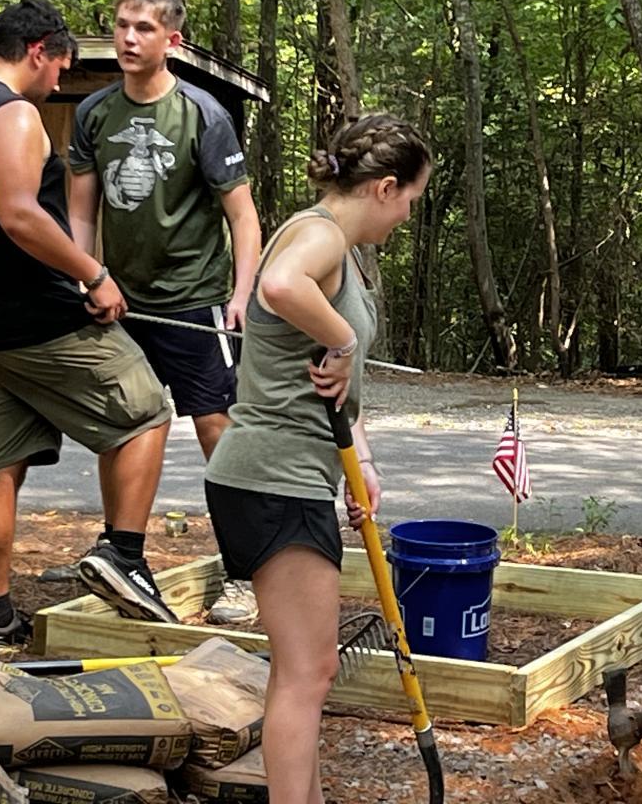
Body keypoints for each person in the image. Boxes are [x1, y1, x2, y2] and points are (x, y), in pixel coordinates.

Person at [0, 0, 180, 653]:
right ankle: (123, 555)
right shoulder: (10, 114)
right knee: (147, 412)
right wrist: (94, 274)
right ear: (38, 51)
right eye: (60, 68)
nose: (58, 84)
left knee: (1, 463)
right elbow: (18, 214)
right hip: (38, 322)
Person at [203, 114, 430, 804]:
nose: (407, 216)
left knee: (301, 672)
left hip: (289, 473)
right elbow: (278, 286)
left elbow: (329, 388)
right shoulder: (321, 234)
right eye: (411, 199)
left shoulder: (337, 247)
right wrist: (343, 339)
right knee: (310, 673)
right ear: (385, 188)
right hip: (273, 474)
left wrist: (363, 464)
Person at [66, 0, 263, 623]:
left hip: (194, 299)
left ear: (171, 41)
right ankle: (117, 558)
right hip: (120, 301)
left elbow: (243, 216)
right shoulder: (93, 112)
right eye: (122, 24)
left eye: (144, 28)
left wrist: (242, 294)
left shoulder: (202, 114)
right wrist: (88, 277)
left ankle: (244, 571)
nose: (129, 38)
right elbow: (81, 211)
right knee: (122, 427)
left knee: (217, 430)